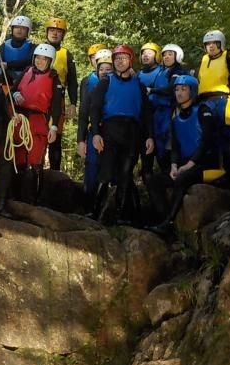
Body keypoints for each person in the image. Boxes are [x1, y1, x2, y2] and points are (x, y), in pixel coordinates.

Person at [89, 44, 154, 225]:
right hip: (110, 129)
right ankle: (94, 213)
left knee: (125, 173)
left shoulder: (139, 85)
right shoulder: (105, 82)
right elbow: (94, 109)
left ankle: (120, 216)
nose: (119, 61)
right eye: (117, 58)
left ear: (130, 61)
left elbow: (146, 113)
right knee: (106, 171)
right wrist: (95, 133)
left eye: (124, 58)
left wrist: (149, 136)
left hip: (132, 132)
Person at [145, 75, 217, 237]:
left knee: (182, 179)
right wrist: (174, 166)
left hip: (205, 163)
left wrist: (189, 165)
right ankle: (164, 220)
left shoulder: (204, 111)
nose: (179, 93)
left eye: (184, 89)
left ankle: (169, 223)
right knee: (153, 180)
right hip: (184, 164)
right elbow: (175, 146)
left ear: (192, 91)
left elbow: (206, 141)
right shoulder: (175, 117)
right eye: (177, 89)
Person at [0, 43, 61, 214]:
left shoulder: (54, 78)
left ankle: (33, 201)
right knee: (16, 159)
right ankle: (14, 198)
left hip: (38, 120)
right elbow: (11, 93)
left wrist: (53, 127)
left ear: (50, 61)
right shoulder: (26, 72)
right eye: (37, 58)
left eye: (43, 59)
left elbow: (55, 106)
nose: (39, 61)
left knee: (35, 161)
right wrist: (14, 93)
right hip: (19, 119)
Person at [196, 29, 230, 182]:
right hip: (204, 102)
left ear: (221, 44)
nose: (210, 46)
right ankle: (212, 175)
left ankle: (228, 177)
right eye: (208, 44)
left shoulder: (228, 58)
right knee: (207, 139)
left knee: (226, 139)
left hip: (223, 102)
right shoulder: (204, 60)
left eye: (214, 43)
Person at [77, 48, 113, 212]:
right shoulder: (88, 83)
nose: (105, 72)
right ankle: (87, 205)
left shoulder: (120, 84)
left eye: (108, 69)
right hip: (94, 131)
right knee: (92, 166)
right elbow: (84, 114)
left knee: (108, 169)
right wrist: (81, 140)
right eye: (102, 69)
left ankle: (104, 207)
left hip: (112, 132)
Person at [144, 43, 188, 175]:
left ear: (177, 56)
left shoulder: (177, 71)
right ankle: (165, 175)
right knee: (159, 147)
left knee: (169, 145)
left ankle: (172, 174)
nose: (166, 57)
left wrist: (152, 90)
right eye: (164, 55)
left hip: (170, 112)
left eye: (170, 54)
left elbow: (171, 89)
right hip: (158, 113)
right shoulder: (162, 72)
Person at [44, 17, 78, 171]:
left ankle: (54, 172)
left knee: (55, 137)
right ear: (47, 32)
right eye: (52, 31)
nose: (55, 34)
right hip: (39, 97)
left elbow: (72, 80)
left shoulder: (66, 54)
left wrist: (73, 103)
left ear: (62, 35)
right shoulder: (38, 50)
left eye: (58, 31)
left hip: (58, 99)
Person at [137, 42, 161, 177]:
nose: (146, 55)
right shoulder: (139, 74)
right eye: (143, 53)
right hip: (142, 118)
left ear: (156, 55)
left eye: (150, 53)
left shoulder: (161, 72)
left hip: (158, 117)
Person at [0, 15, 36, 85]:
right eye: (16, 27)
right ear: (12, 29)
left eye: (23, 28)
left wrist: (8, 64)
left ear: (28, 31)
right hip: (6, 81)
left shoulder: (32, 47)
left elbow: (28, 60)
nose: (19, 30)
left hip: (24, 82)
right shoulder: (4, 45)